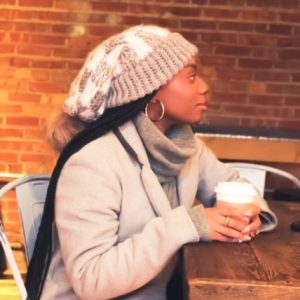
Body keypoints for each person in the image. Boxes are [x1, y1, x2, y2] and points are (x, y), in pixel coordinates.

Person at [25, 25, 277, 300]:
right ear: (151, 93)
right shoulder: (92, 162)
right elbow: (91, 280)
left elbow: (235, 185)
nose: (204, 87)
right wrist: (187, 225)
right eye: (191, 77)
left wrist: (248, 215)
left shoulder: (185, 146)